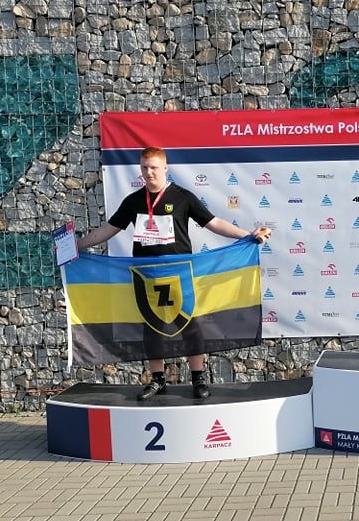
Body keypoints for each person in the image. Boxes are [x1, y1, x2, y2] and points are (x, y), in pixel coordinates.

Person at [77, 146, 272, 400]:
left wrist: (247, 235)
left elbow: (213, 223)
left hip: (179, 274)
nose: (149, 172)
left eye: (154, 167)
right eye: (144, 167)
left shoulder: (182, 197)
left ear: (165, 168)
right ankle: (157, 379)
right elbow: (108, 229)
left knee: (189, 324)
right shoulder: (133, 201)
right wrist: (78, 246)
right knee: (151, 327)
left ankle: (198, 378)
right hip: (146, 275)